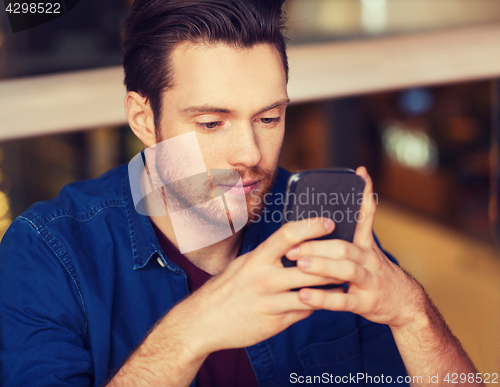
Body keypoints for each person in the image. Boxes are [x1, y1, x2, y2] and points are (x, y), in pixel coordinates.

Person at [0, 0, 482, 386]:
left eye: (269, 118)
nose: (250, 153)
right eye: (212, 123)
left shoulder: (322, 226)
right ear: (144, 119)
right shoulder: (47, 251)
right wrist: (189, 334)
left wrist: (412, 314)